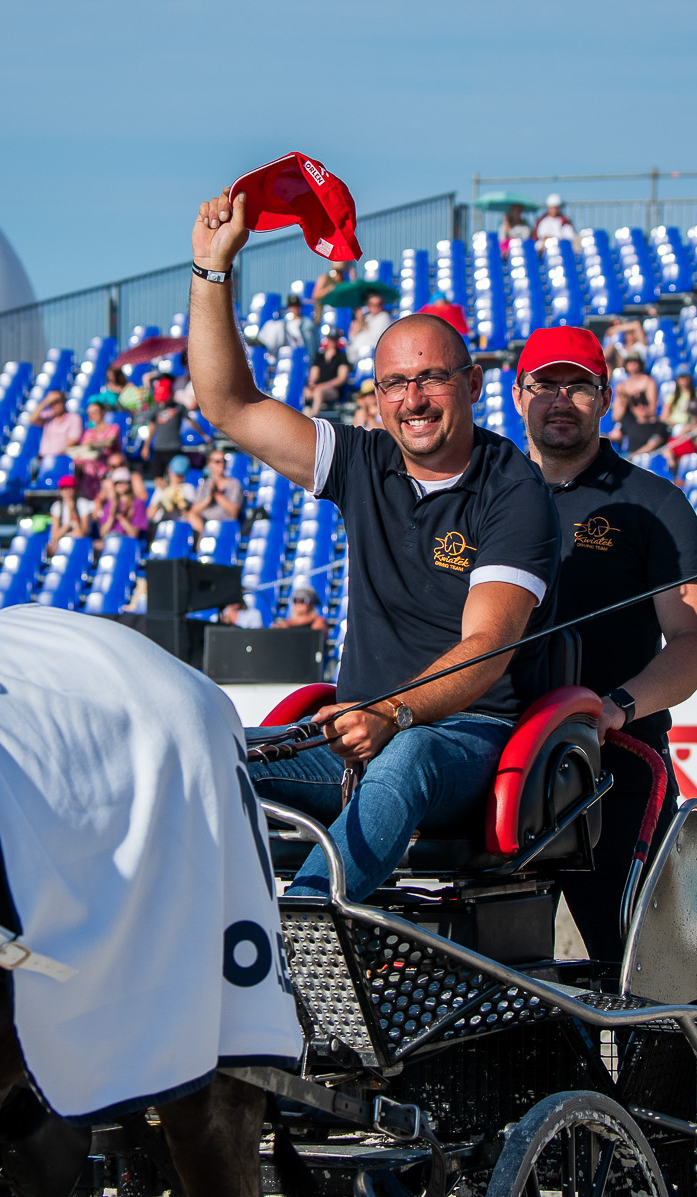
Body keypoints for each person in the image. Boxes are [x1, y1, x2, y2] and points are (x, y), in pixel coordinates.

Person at [190, 185, 560, 906]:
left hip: (467, 739)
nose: (412, 400)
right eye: (395, 383)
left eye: (431, 379)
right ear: (378, 394)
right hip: (358, 736)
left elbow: (487, 645)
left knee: (411, 753)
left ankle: (303, 934)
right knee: (209, 757)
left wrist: (392, 713)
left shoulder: (514, 490)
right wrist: (212, 269)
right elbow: (228, 405)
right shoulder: (363, 459)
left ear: (473, 384)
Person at [513, 324, 697, 962]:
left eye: (579, 386)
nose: (561, 400)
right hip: (495, 768)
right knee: (491, 982)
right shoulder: (484, 498)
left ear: (605, 399)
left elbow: (696, 642)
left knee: (641, 977)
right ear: (518, 396)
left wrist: (617, 708)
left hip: (617, 771)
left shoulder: (656, 503)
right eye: (545, 385)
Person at [138, 374, 200, 479]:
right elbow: (152, 426)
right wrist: (146, 446)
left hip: (173, 447)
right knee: (157, 477)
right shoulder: (156, 408)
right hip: (158, 447)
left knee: (175, 476)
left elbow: (191, 422)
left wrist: (203, 435)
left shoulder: (179, 407)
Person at [186, 449, 246, 533]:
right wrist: (208, 500)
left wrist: (218, 495)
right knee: (191, 516)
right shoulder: (204, 485)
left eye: (223, 461)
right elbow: (193, 511)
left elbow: (234, 512)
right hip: (205, 523)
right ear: (209, 464)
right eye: (218, 461)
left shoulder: (234, 484)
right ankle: (203, 537)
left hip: (225, 524)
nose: (222, 464)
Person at [96, 451, 150, 539]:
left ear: (129, 483)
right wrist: (112, 516)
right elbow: (102, 533)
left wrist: (121, 517)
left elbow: (134, 534)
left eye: (123, 482)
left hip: (128, 542)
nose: (120, 485)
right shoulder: (110, 504)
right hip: (111, 540)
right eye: (117, 483)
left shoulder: (137, 503)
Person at [304, 333, 351, 414]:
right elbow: (314, 373)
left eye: (334, 339)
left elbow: (341, 378)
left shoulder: (341, 356)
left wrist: (325, 385)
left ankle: (313, 416)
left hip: (334, 390)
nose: (332, 342)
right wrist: (312, 382)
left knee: (318, 392)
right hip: (318, 387)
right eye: (330, 339)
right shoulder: (320, 356)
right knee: (306, 392)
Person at [348, 292, 394, 363]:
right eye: (372, 304)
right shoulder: (366, 318)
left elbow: (376, 338)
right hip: (357, 355)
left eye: (379, 304)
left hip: (372, 354)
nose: (376, 307)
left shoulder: (384, 317)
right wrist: (358, 323)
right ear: (368, 306)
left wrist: (363, 324)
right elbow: (352, 338)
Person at [35, 390, 82, 458]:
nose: (55, 405)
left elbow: (73, 441)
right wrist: (45, 402)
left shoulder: (74, 418)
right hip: (44, 458)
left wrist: (54, 457)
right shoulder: (48, 416)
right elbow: (32, 419)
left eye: (57, 401)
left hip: (63, 458)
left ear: (63, 401)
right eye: (52, 402)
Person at [661, 371, 697, 436]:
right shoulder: (671, 397)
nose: (684, 380)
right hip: (675, 426)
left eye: (686, 377)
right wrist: (672, 423)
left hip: (693, 425)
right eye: (681, 377)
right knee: (685, 430)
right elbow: (664, 417)